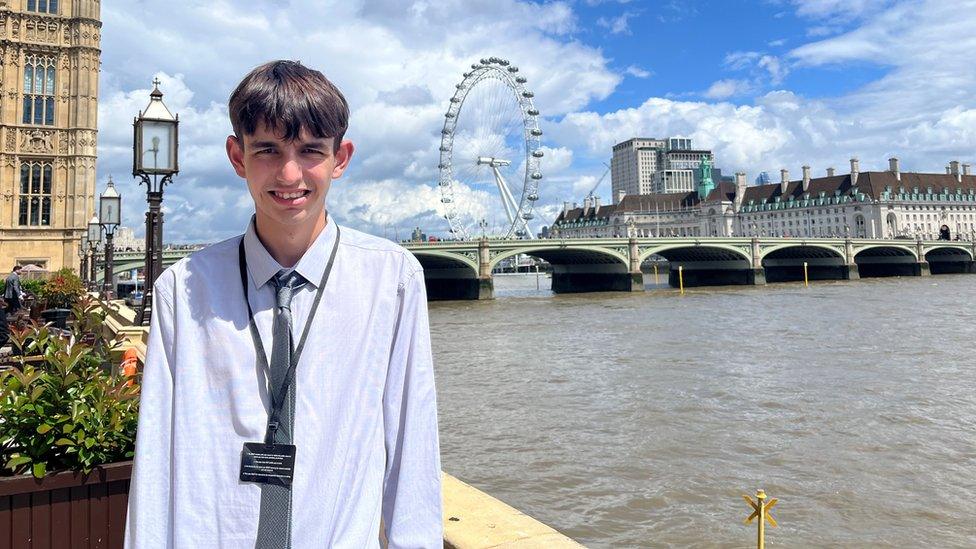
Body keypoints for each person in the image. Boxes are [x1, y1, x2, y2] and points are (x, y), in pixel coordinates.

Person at [125, 61, 442, 548]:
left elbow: (412, 451)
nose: (290, 173)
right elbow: (156, 464)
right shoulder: (183, 291)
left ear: (341, 158)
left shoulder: (392, 281)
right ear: (237, 155)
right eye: (268, 150)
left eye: (310, 151)